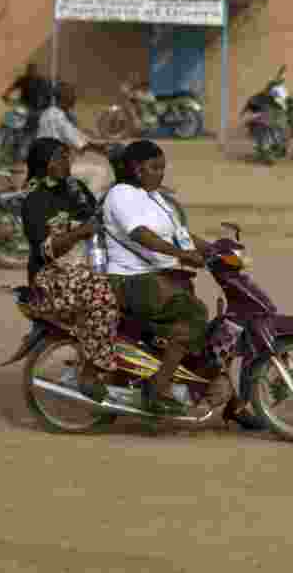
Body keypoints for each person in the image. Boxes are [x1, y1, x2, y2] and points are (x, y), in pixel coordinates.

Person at [101, 140, 226, 415]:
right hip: (131, 280)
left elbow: (180, 234)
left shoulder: (154, 196)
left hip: (158, 278)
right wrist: (181, 255)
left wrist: (217, 249)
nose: (161, 173)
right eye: (154, 167)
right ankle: (158, 387)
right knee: (194, 313)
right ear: (136, 169)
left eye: (162, 167)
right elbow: (140, 234)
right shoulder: (120, 195)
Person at [20, 138, 120, 401]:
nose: (66, 163)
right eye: (59, 158)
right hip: (51, 277)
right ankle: (90, 370)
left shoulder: (74, 187)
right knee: (101, 294)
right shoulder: (34, 199)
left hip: (83, 264)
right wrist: (81, 232)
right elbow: (46, 250)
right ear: (44, 165)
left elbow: (96, 215)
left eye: (67, 156)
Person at [37, 81, 113, 197]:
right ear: (64, 97)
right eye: (71, 94)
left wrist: (101, 143)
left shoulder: (52, 113)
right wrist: (102, 150)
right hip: (54, 168)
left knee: (92, 166)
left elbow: (79, 135)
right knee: (102, 173)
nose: (74, 98)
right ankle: (87, 208)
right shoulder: (56, 115)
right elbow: (78, 140)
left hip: (53, 164)